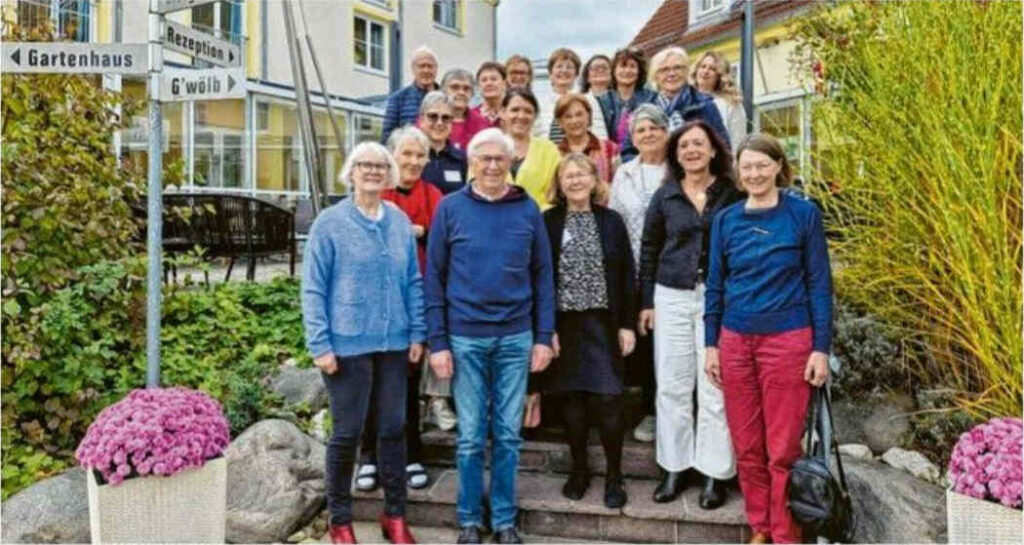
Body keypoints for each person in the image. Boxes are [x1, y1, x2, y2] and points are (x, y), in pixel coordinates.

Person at [425, 128, 556, 544]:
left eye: (501, 159)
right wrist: (438, 341)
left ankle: (503, 518)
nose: (493, 166)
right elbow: (435, 279)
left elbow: (543, 276)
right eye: (485, 159)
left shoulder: (527, 209)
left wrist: (543, 336)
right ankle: (468, 519)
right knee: (468, 437)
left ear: (511, 164)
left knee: (507, 433)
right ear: (472, 164)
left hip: (516, 337)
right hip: (465, 337)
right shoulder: (450, 209)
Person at [704, 133, 833, 544]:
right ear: (738, 173)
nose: (755, 173)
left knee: (782, 450)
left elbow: (819, 283)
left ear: (779, 166)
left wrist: (821, 348)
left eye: (763, 165)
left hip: (788, 341)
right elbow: (715, 286)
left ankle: (786, 534)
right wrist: (711, 344)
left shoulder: (803, 214)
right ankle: (760, 526)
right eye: (747, 167)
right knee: (746, 445)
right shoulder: (726, 220)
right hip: (736, 341)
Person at [302, 142, 424, 545]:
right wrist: (320, 344)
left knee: (393, 428)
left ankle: (395, 517)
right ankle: (340, 521)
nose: (372, 171)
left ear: (389, 175)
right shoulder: (329, 223)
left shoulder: (400, 222)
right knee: (348, 433)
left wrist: (417, 332)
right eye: (364, 165)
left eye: (379, 165)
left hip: (394, 344)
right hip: (347, 345)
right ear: (350, 172)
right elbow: (313, 288)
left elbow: (412, 282)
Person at [638, 120, 742, 509]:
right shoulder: (664, 196)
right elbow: (649, 249)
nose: (691, 151)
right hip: (671, 296)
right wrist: (646, 302)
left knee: (714, 386)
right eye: (684, 146)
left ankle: (714, 473)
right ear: (675, 154)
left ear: (714, 150)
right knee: (672, 384)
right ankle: (674, 467)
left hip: (718, 297)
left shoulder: (732, 195)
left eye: (699, 144)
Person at [542, 154, 637, 509]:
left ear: (595, 180)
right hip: (564, 324)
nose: (576, 180)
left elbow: (628, 275)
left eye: (582, 173)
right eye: (568, 175)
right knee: (572, 401)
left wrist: (627, 324)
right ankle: (579, 470)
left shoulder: (611, 221)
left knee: (610, 399)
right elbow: (539, 278)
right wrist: (544, 329)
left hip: (603, 322)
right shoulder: (548, 221)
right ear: (560, 183)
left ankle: (615, 475)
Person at [355, 127, 444, 496]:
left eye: (418, 155)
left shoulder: (434, 195)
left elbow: (439, 243)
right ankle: (369, 456)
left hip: (415, 298)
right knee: (369, 380)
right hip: (374, 301)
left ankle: (411, 453)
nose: (412, 161)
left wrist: (418, 233)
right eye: (405, 154)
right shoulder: (379, 192)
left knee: (406, 381)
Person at [607, 104, 670, 444]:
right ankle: (649, 409)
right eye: (640, 130)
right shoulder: (624, 173)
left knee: (668, 342)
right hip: (632, 268)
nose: (647, 135)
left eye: (653, 128)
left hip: (670, 270)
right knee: (643, 341)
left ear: (666, 132)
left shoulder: (677, 171)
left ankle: (667, 410)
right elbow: (616, 219)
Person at [621, 46, 728, 161]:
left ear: (686, 71)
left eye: (677, 68)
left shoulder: (705, 105)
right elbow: (628, 150)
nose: (671, 74)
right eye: (664, 70)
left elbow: (723, 148)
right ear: (655, 76)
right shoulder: (642, 108)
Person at [500, 89, 561, 210]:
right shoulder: (486, 147)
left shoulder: (549, 150)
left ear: (535, 116)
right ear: (502, 112)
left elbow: (554, 194)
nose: (521, 116)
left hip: (538, 222)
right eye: (515, 110)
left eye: (528, 111)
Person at [534, 48, 608, 144]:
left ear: (576, 74)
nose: (564, 70)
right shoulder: (540, 105)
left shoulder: (589, 100)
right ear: (550, 73)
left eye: (569, 67)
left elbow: (601, 137)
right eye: (559, 66)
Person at [554, 92, 619, 186]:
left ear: (588, 116)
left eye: (579, 114)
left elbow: (620, 187)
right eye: (568, 116)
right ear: (560, 122)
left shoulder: (610, 149)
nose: (574, 120)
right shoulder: (554, 154)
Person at [597, 47, 657, 147]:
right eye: (623, 66)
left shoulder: (651, 98)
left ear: (639, 71)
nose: (627, 70)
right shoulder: (602, 101)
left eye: (632, 66)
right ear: (614, 70)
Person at [382, 46, 439, 144]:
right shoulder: (397, 99)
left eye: (430, 66)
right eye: (421, 66)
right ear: (413, 69)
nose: (426, 70)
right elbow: (387, 136)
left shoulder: (445, 98)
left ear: (436, 69)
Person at [692, 51, 747, 147]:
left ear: (720, 75)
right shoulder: (683, 101)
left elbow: (738, 142)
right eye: (703, 66)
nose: (705, 71)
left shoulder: (730, 104)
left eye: (712, 69)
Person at [418, 91, 469, 196]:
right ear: (421, 120)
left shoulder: (463, 159)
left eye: (445, 118)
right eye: (433, 116)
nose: (439, 122)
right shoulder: (411, 156)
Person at [442, 68, 480, 151]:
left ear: (472, 93)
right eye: (455, 87)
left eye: (466, 88)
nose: (461, 92)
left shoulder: (481, 123)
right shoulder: (429, 121)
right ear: (444, 91)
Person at [470, 61, 507, 131]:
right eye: (484, 80)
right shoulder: (470, 116)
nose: (489, 83)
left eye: (494, 79)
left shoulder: (513, 113)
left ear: (504, 83)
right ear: (478, 86)